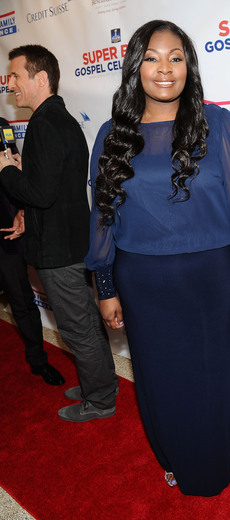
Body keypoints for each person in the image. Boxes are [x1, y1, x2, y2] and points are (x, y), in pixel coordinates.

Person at [85, 20, 230, 496]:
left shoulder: (218, 124)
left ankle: (207, 471)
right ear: (135, 68)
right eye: (151, 57)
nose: (164, 68)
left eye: (176, 57)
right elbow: (104, 215)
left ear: (189, 66)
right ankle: (170, 455)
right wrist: (105, 287)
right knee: (156, 377)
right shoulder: (112, 135)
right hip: (141, 282)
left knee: (209, 382)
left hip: (210, 279)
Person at [0, 45, 118, 422]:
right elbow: (49, 189)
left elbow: (40, 193)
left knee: (77, 328)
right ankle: (102, 384)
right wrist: (23, 177)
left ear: (41, 78)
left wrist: (5, 170)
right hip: (69, 244)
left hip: (59, 252)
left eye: (16, 75)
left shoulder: (45, 124)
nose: (10, 82)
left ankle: (100, 401)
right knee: (85, 321)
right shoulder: (58, 120)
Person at [0, 117, 64, 385]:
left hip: (7, 230)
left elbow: (16, 170)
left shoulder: (2, 124)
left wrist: (23, 211)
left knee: (22, 301)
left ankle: (38, 362)